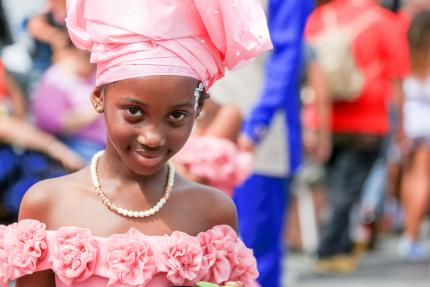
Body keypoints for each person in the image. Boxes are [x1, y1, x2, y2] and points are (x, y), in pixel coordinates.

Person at [0, 0, 273, 286]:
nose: (152, 136)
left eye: (177, 115)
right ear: (98, 97)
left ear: (198, 110)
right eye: (134, 112)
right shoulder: (46, 203)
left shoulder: (213, 211)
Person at [305, 0, 409, 272]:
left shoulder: (320, 16)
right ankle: (328, 249)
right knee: (348, 189)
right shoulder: (383, 20)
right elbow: (396, 78)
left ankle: (339, 246)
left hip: (324, 116)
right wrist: (401, 126)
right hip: (368, 118)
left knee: (333, 185)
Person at [234, 0, 315, 286]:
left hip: (257, 135)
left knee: (254, 249)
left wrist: (259, 121)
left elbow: (287, 52)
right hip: (198, 124)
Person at [398, 10, 430, 261]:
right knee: (422, 178)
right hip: (427, 127)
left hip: (410, 124)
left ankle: (408, 231)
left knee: (410, 176)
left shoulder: (407, 57)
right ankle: (411, 235)